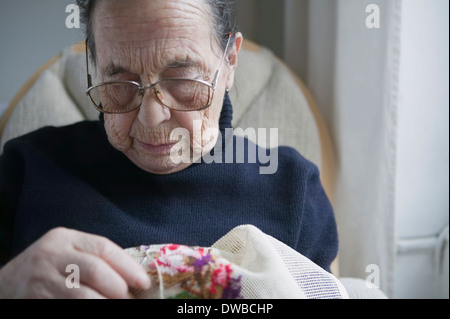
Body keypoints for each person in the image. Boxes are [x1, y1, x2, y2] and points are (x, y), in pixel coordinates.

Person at [0, 0, 338, 299]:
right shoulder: (26, 169)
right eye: (120, 84)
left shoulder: (293, 190)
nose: (150, 117)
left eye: (182, 81)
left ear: (230, 61)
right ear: (95, 65)